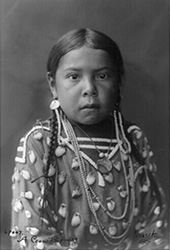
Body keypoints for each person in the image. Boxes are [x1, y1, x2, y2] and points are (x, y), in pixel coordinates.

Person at [11, 28, 168, 250]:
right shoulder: (39, 144)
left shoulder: (133, 140)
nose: (89, 89)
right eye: (74, 77)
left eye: (102, 76)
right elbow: (28, 237)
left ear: (119, 83)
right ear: (53, 85)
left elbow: (154, 227)